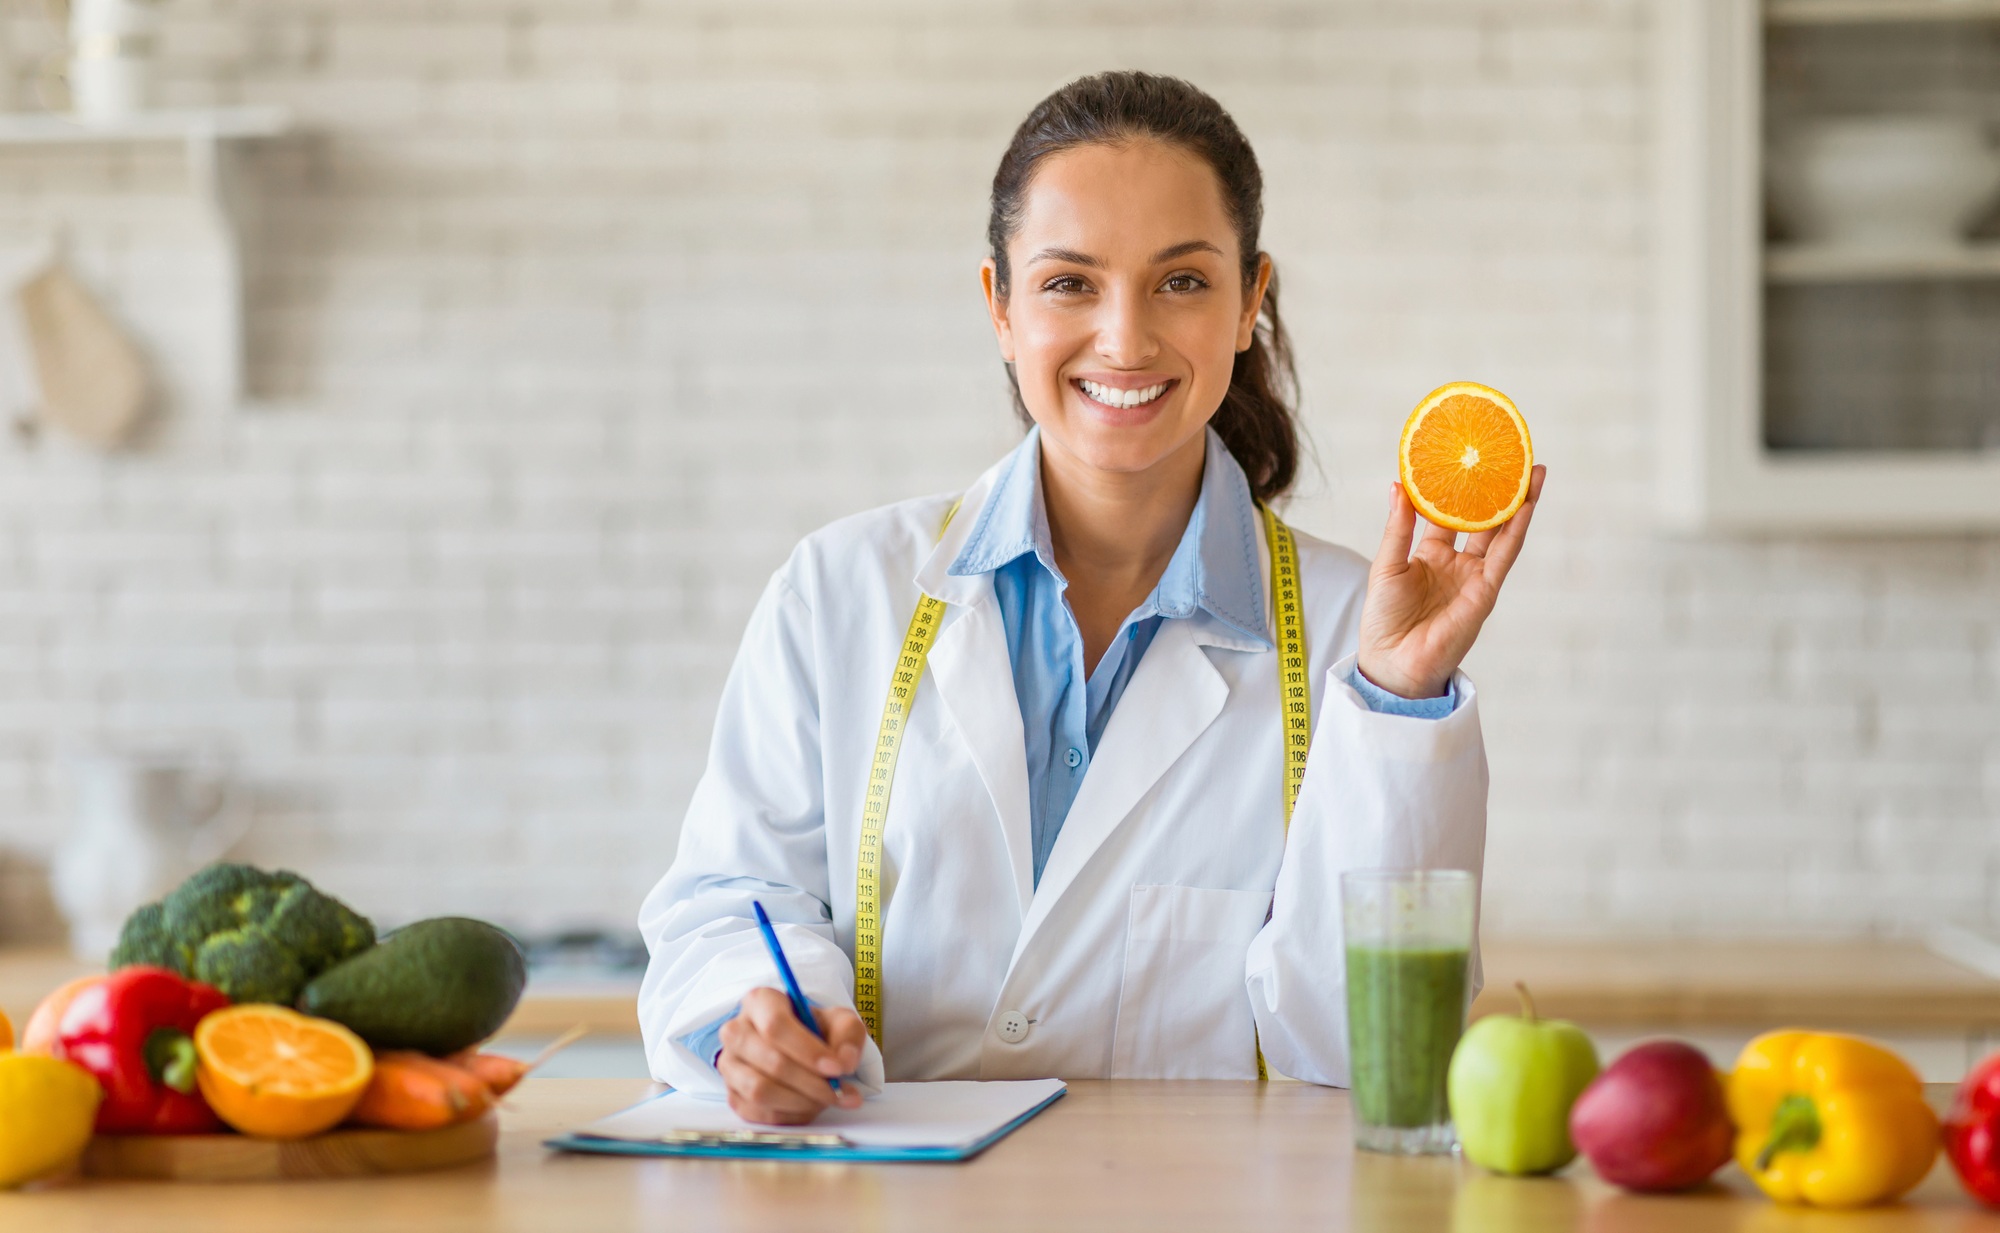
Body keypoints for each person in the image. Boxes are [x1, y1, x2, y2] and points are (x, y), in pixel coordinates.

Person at [638, 71, 1545, 1126]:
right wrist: (751, 1021)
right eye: (1069, 282)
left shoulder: (1356, 634)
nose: (1124, 340)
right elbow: (730, 900)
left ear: (1249, 302)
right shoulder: (839, 590)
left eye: (1181, 282)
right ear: (999, 305)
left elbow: (1368, 1048)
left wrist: (1396, 697)